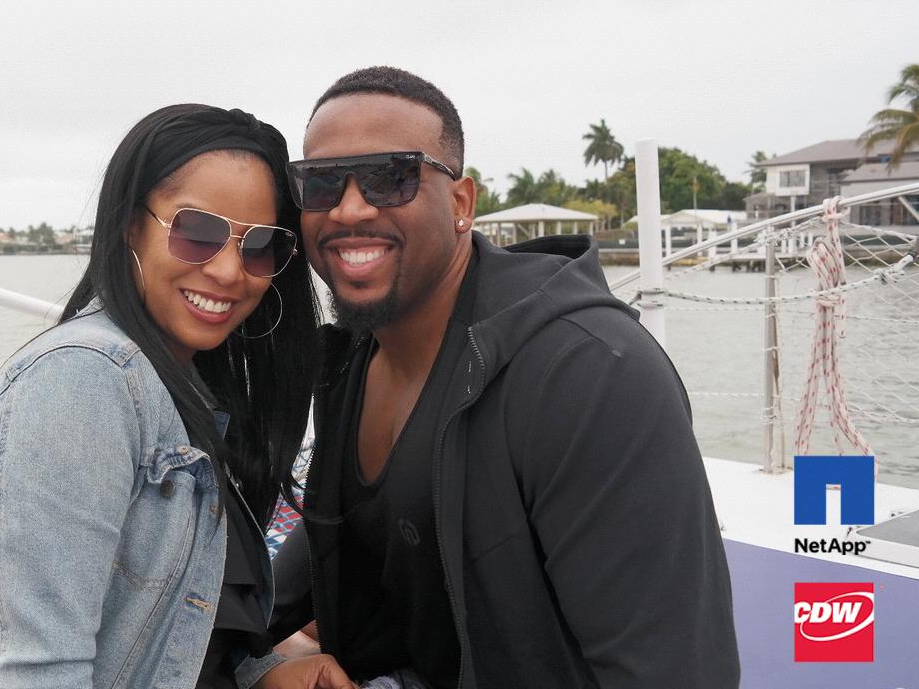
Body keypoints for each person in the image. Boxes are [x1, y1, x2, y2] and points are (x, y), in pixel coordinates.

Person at [260, 67, 740, 688]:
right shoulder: (354, 360)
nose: (350, 209)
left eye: (390, 177)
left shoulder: (586, 375)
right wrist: (250, 664)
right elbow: (312, 562)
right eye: (321, 183)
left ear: (462, 204)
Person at [0, 104, 356, 688]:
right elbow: (33, 670)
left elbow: (167, 626)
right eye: (197, 232)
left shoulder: (189, 393)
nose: (229, 271)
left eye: (259, 246)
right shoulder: (84, 380)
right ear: (129, 225)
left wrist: (263, 674)